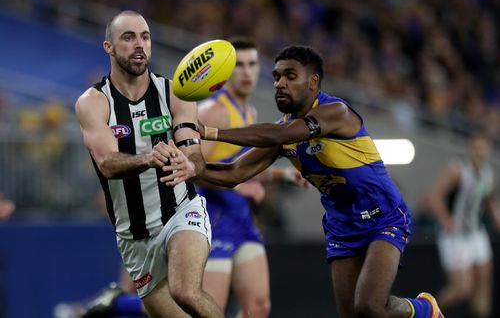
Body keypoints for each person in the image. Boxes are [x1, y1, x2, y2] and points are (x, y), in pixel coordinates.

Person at [160, 45, 444, 318]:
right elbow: (234, 173)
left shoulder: (336, 113)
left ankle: (424, 309)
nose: (280, 83)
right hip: (342, 225)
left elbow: (278, 134)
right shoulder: (284, 133)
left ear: (313, 82)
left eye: (290, 76)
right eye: (276, 77)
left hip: (383, 216)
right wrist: (189, 168)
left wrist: (209, 132)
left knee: (370, 307)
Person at [74, 10, 223, 318]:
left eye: (145, 37)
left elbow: (194, 154)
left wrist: (191, 166)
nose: (139, 44)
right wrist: (149, 158)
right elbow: (106, 163)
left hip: (181, 211)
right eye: (128, 38)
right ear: (109, 47)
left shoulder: (175, 94)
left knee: (186, 291)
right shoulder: (93, 102)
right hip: (134, 236)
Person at [197, 37, 305, 318]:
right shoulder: (214, 111)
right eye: (239, 65)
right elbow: (194, 169)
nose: (247, 72)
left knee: (258, 307)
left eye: (252, 64)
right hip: (212, 220)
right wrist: (240, 184)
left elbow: (243, 166)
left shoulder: (250, 111)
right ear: (226, 71)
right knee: (211, 312)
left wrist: (284, 175)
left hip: (240, 217)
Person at [423, 131, 500, 318]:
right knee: (462, 288)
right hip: (455, 236)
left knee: (483, 282)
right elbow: (432, 196)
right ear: (469, 149)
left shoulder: (487, 173)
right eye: (476, 148)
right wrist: (445, 218)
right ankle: (427, 313)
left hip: (475, 233)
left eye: (483, 148)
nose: (480, 152)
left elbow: (488, 200)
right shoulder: (457, 170)